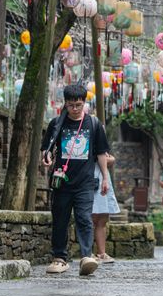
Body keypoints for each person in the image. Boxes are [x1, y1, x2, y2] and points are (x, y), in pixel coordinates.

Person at [41, 84, 110, 276]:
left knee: (84, 219)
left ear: (84, 103)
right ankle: (59, 258)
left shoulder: (94, 124)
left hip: (85, 182)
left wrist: (105, 178)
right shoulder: (57, 123)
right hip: (61, 182)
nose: (74, 109)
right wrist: (45, 157)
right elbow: (45, 148)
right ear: (66, 103)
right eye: (71, 105)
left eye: (78, 105)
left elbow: (101, 153)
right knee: (60, 220)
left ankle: (86, 257)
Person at [91, 150, 120, 264]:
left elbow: (107, 158)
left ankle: (101, 253)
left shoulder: (101, 141)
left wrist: (109, 159)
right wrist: (109, 159)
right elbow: (103, 158)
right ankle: (88, 253)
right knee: (90, 217)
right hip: (91, 178)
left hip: (103, 178)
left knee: (103, 217)